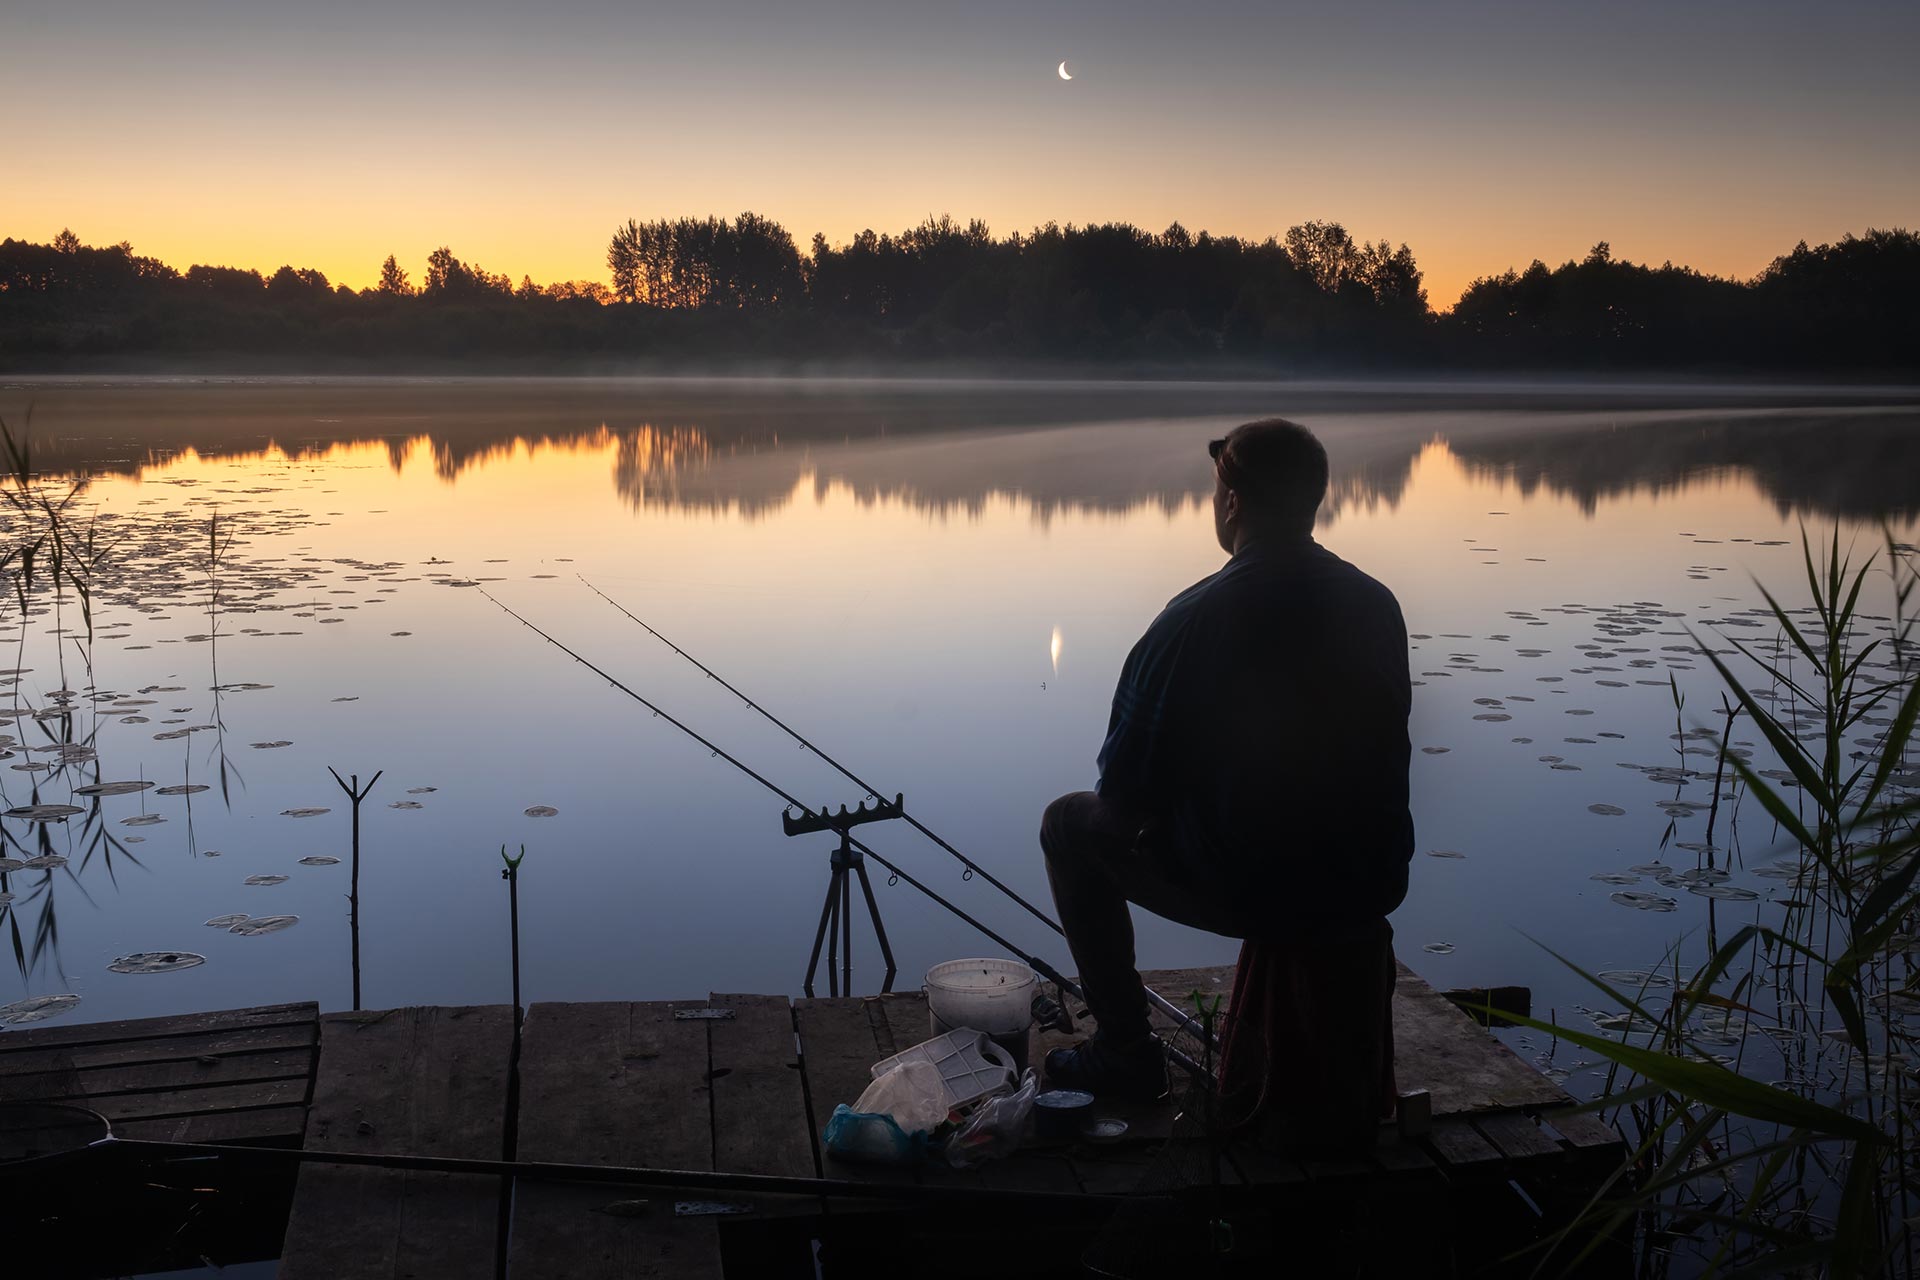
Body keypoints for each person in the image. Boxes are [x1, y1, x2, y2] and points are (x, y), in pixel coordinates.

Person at [1040, 418, 1413, 1131]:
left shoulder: (1192, 618)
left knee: (1068, 826)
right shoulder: (1376, 604)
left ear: (1233, 502)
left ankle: (1125, 1048)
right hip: (1367, 884)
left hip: (1262, 888)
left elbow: (1122, 794)